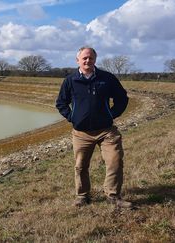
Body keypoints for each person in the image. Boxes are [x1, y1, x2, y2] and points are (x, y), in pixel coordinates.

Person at [55, 46, 133, 208]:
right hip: (81, 133)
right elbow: (61, 103)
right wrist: (72, 117)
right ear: (78, 60)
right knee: (81, 166)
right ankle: (82, 196)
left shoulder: (107, 78)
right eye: (84, 58)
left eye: (90, 58)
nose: (87, 61)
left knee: (115, 162)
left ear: (95, 60)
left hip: (106, 131)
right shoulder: (70, 80)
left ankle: (113, 196)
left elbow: (122, 98)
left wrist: (112, 114)